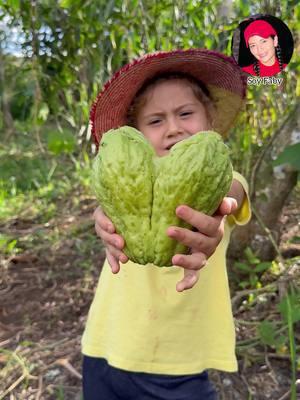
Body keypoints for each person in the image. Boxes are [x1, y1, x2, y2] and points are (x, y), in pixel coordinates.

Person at [82, 49, 251, 400]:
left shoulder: (220, 177)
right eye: (156, 121)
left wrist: (216, 214)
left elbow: (231, 194)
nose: (174, 128)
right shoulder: (128, 182)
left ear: (210, 119)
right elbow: (107, 210)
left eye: (185, 114)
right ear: (137, 134)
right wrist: (102, 222)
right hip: (104, 346)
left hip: (178, 366)